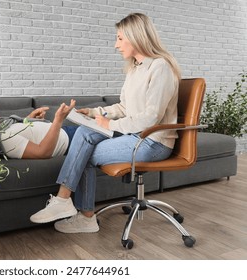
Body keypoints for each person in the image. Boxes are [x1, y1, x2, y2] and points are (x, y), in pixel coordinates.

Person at [30, 13, 181, 233]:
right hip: (135, 136)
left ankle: (79, 212)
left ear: (135, 36)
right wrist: (93, 113)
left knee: (84, 152)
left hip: (153, 143)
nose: (116, 45)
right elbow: (123, 108)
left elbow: (151, 117)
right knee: (84, 134)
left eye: (120, 39)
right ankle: (70, 206)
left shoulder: (160, 67)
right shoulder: (135, 69)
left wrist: (109, 126)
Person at [0, 99, 77, 159]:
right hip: (69, 141)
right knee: (91, 132)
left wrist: (31, 117)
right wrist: (58, 120)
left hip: (66, 132)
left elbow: (17, 128)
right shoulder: (3, 138)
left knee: (95, 153)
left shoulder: (0, 126)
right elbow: (42, 152)